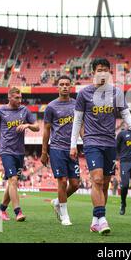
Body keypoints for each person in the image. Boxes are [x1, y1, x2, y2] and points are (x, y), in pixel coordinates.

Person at [69, 58, 131, 235]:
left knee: (105, 184)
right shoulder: (84, 93)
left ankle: (95, 220)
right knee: (97, 179)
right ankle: (102, 219)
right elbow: (78, 120)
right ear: (93, 72)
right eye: (99, 69)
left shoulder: (116, 93)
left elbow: (125, 113)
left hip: (110, 142)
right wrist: (73, 144)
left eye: (106, 70)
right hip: (92, 142)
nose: (103, 73)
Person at [0, 87, 39, 222]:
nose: (19, 100)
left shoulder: (25, 111)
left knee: (12, 182)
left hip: (20, 153)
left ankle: (1, 210)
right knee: (13, 180)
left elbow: (37, 126)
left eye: (20, 97)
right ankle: (18, 211)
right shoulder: (0, 112)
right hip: (6, 151)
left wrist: (28, 125)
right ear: (9, 97)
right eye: (16, 97)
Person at [41, 75, 81, 226]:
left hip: (72, 149)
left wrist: (86, 142)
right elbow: (46, 130)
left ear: (70, 87)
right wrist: (44, 152)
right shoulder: (51, 107)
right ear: (57, 87)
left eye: (67, 84)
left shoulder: (77, 104)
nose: (64, 86)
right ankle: (65, 216)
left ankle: (58, 202)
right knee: (62, 181)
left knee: (75, 184)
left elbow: (81, 125)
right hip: (56, 148)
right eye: (61, 84)